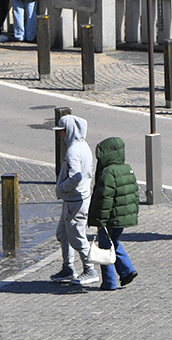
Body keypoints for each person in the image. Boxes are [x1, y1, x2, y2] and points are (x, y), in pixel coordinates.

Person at [51, 114, 115, 286]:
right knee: (63, 234)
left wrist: (61, 187)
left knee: (76, 237)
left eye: (62, 131)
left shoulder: (73, 152)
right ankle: (68, 267)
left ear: (69, 130)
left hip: (75, 201)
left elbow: (76, 176)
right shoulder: (83, 146)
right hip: (77, 198)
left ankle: (89, 269)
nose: (60, 135)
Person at [86, 136, 140, 290]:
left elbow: (105, 198)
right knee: (113, 242)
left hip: (110, 217)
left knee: (105, 245)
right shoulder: (126, 168)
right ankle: (126, 271)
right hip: (122, 216)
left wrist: (100, 220)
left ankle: (110, 281)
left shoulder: (108, 172)